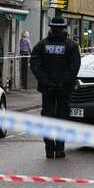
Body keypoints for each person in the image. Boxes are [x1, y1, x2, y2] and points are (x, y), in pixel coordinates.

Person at [30, 17, 81, 159]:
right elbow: (74, 67)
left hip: (48, 90)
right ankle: (59, 149)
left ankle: (49, 148)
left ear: (50, 28)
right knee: (62, 119)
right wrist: (63, 82)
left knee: (47, 119)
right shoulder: (71, 46)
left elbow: (35, 66)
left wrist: (47, 82)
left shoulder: (41, 46)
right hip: (64, 90)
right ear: (64, 28)